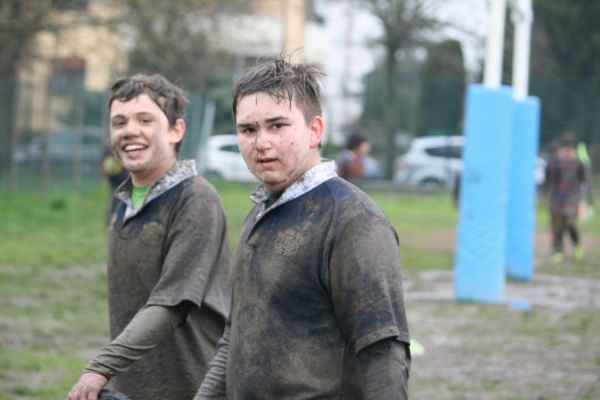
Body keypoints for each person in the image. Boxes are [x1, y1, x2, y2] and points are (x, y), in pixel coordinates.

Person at [194, 57, 410, 400]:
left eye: (277, 125)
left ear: (315, 130)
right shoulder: (260, 214)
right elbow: (236, 337)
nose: (261, 142)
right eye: (248, 129)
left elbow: (383, 352)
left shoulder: (353, 221)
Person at [67, 74, 231, 400]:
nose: (129, 131)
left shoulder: (197, 199)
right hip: (132, 386)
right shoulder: (123, 200)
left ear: (175, 130)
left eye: (145, 120)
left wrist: (100, 368)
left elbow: (171, 302)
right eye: (119, 122)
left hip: (192, 386)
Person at [545, 136, 589, 262]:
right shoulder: (556, 163)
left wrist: (586, 198)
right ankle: (558, 251)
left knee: (570, 222)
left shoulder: (578, 163)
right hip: (557, 198)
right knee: (557, 225)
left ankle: (577, 245)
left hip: (572, 198)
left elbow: (585, 179)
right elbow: (550, 179)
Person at [100, 145, 128, 224]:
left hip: (128, 182)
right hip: (116, 184)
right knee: (114, 207)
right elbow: (103, 168)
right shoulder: (109, 149)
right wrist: (107, 171)